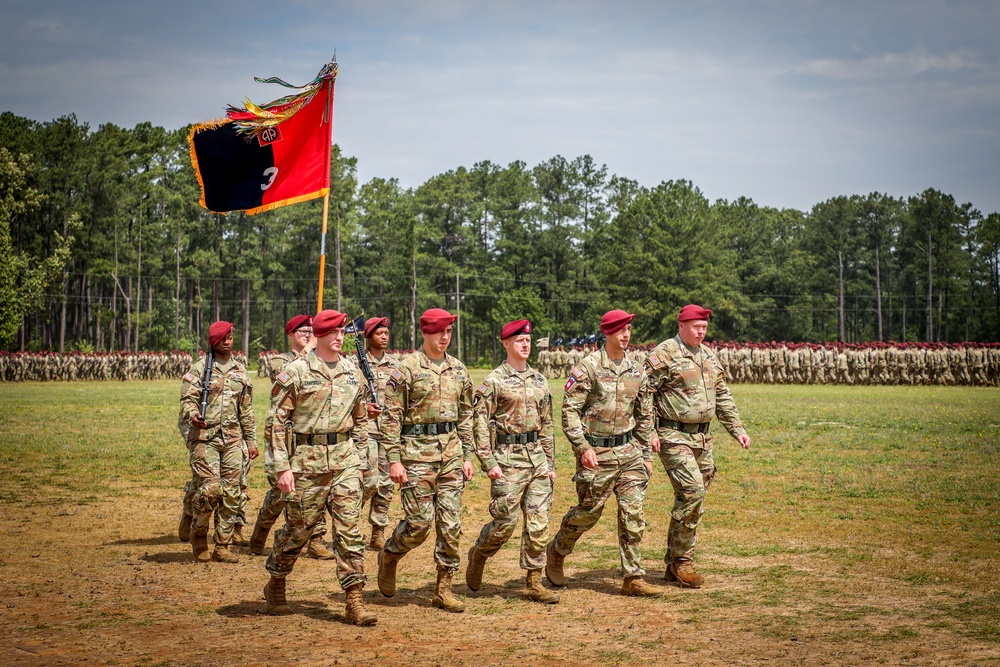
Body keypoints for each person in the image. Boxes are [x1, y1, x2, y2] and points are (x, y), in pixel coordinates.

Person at [262, 310, 376, 625]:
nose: (340, 338)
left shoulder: (353, 371)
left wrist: (362, 460)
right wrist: (281, 467)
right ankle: (277, 582)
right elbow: (275, 422)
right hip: (306, 463)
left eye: (343, 332)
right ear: (320, 335)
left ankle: (354, 602)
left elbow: (361, 419)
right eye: (334, 332)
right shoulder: (295, 372)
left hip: (345, 462)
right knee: (298, 532)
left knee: (349, 533)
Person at [546, 310, 663, 597]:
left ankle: (633, 577)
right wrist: (582, 448)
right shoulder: (588, 368)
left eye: (629, 330)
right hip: (596, 452)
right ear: (607, 333)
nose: (626, 335)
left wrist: (646, 454)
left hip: (629, 451)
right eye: (620, 330)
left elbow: (645, 415)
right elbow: (569, 411)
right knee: (589, 513)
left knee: (632, 512)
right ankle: (557, 550)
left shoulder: (637, 370)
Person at [645, 304, 751, 588]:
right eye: (696, 326)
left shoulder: (708, 356)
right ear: (681, 325)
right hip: (673, 435)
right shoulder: (664, 353)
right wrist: (650, 432)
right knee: (692, 493)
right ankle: (683, 562)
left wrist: (737, 429)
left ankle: (673, 561)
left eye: (704, 327)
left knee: (691, 497)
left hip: (703, 439)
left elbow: (722, 395)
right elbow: (644, 393)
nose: (701, 331)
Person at [377, 307, 475, 613]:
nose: (444, 337)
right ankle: (390, 554)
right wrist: (394, 460)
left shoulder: (459, 369)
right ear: (425, 333)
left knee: (451, 524)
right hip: (416, 457)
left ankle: (443, 588)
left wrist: (468, 455)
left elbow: (466, 415)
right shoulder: (405, 369)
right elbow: (390, 418)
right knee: (418, 525)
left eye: (448, 332)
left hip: (450, 457)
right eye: (439, 332)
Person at [466, 319, 559, 604]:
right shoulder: (494, 381)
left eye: (528, 340)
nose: (525, 344)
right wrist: (488, 461)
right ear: (506, 343)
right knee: (504, 523)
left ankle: (533, 581)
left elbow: (547, 424)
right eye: (519, 340)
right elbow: (479, 423)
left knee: (539, 522)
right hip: (507, 460)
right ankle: (479, 552)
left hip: (537, 458)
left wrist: (551, 464)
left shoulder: (540, 380)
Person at [249, 315, 337, 560]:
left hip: (312, 435)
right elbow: (286, 376)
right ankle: (262, 528)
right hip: (286, 437)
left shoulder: (318, 359)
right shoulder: (280, 361)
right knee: (282, 493)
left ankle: (316, 540)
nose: (308, 335)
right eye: (302, 331)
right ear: (290, 334)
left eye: (311, 331)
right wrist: (308, 352)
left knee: (317, 487)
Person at [178, 321, 257, 563]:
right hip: (205, 437)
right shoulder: (200, 369)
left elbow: (246, 409)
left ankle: (223, 545)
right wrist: (193, 415)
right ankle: (199, 532)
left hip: (232, 439)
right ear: (213, 341)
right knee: (212, 489)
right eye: (223, 338)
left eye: (230, 337)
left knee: (233, 492)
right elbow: (187, 401)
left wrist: (251, 440)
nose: (227, 341)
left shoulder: (239, 370)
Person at [356, 316, 400, 551]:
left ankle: (377, 533)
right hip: (366, 430)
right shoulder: (356, 364)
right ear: (368, 336)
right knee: (370, 482)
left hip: (390, 431)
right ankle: (348, 523)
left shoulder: (395, 365)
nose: (384, 337)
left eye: (386, 333)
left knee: (386, 486)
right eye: (379, 333)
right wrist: (364, 409)